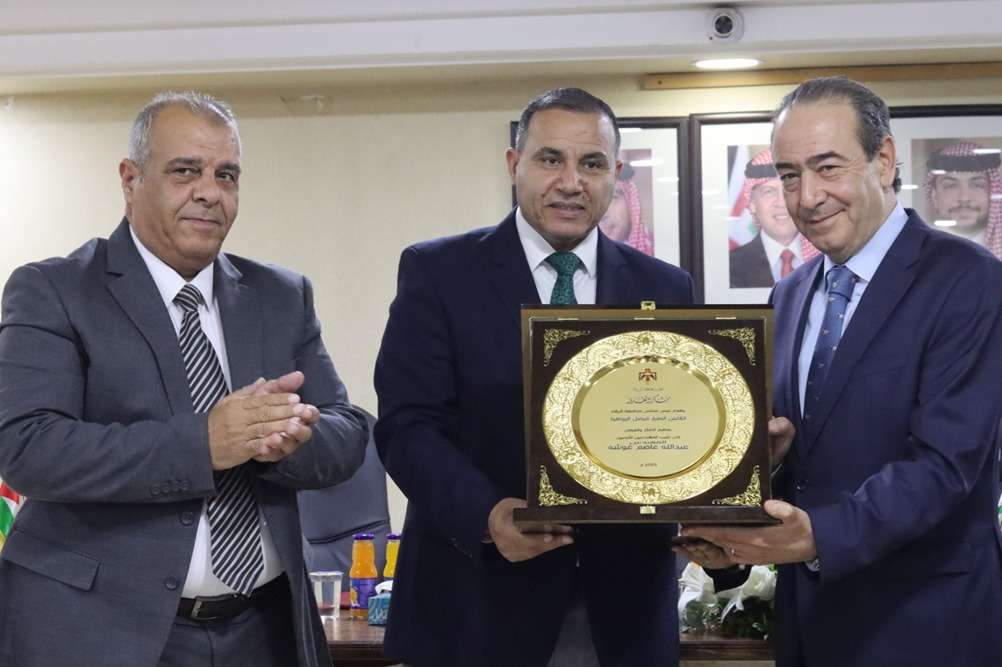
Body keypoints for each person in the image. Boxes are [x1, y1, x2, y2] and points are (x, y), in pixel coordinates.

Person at [0, 91, 369, 667]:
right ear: (130, 180)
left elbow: (347, 432)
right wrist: (204, 444)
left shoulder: (280, 295)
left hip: (262, 630)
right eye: (185, 171)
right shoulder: (55, 290)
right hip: (101, 631)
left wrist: (287, 441)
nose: (209, 192)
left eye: (227, 175)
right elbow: (27, 446)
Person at [678, 76, 1002, 667]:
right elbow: (803, 460)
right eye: (789, 174)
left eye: (827, 167)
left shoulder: (969, 279)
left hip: (926, 624)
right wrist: (737, 532)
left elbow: (946, 462)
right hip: (810, 623)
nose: (807, 197)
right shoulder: (789, 294)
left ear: (884, 160)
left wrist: (816, 536)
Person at [374, 87, 694, 667]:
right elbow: (408, 427)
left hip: (625, 615)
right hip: (477, 603)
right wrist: (488, 515)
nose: (571, 182)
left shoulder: (667, 287)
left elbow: (680, 432)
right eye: (551, 159)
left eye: (591, 163)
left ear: (615, 174)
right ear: (514, 164)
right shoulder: (439, 273)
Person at [729, 148, 807, 287]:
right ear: (752, 204)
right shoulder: (731, 266)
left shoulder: (827, 258)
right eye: (769, 192)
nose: (781, 203)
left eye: (789, 190)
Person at [923, 140, 1002, 259]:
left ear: (993, 192)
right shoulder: (918, 249)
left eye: (977, 185)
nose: (964, 197)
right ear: (934, 196)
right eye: (951, 186)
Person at [598, 165, 655, 255]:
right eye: (596, 200)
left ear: (630, 204)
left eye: (613, 198)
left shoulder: (655, 249)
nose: (603, 215)